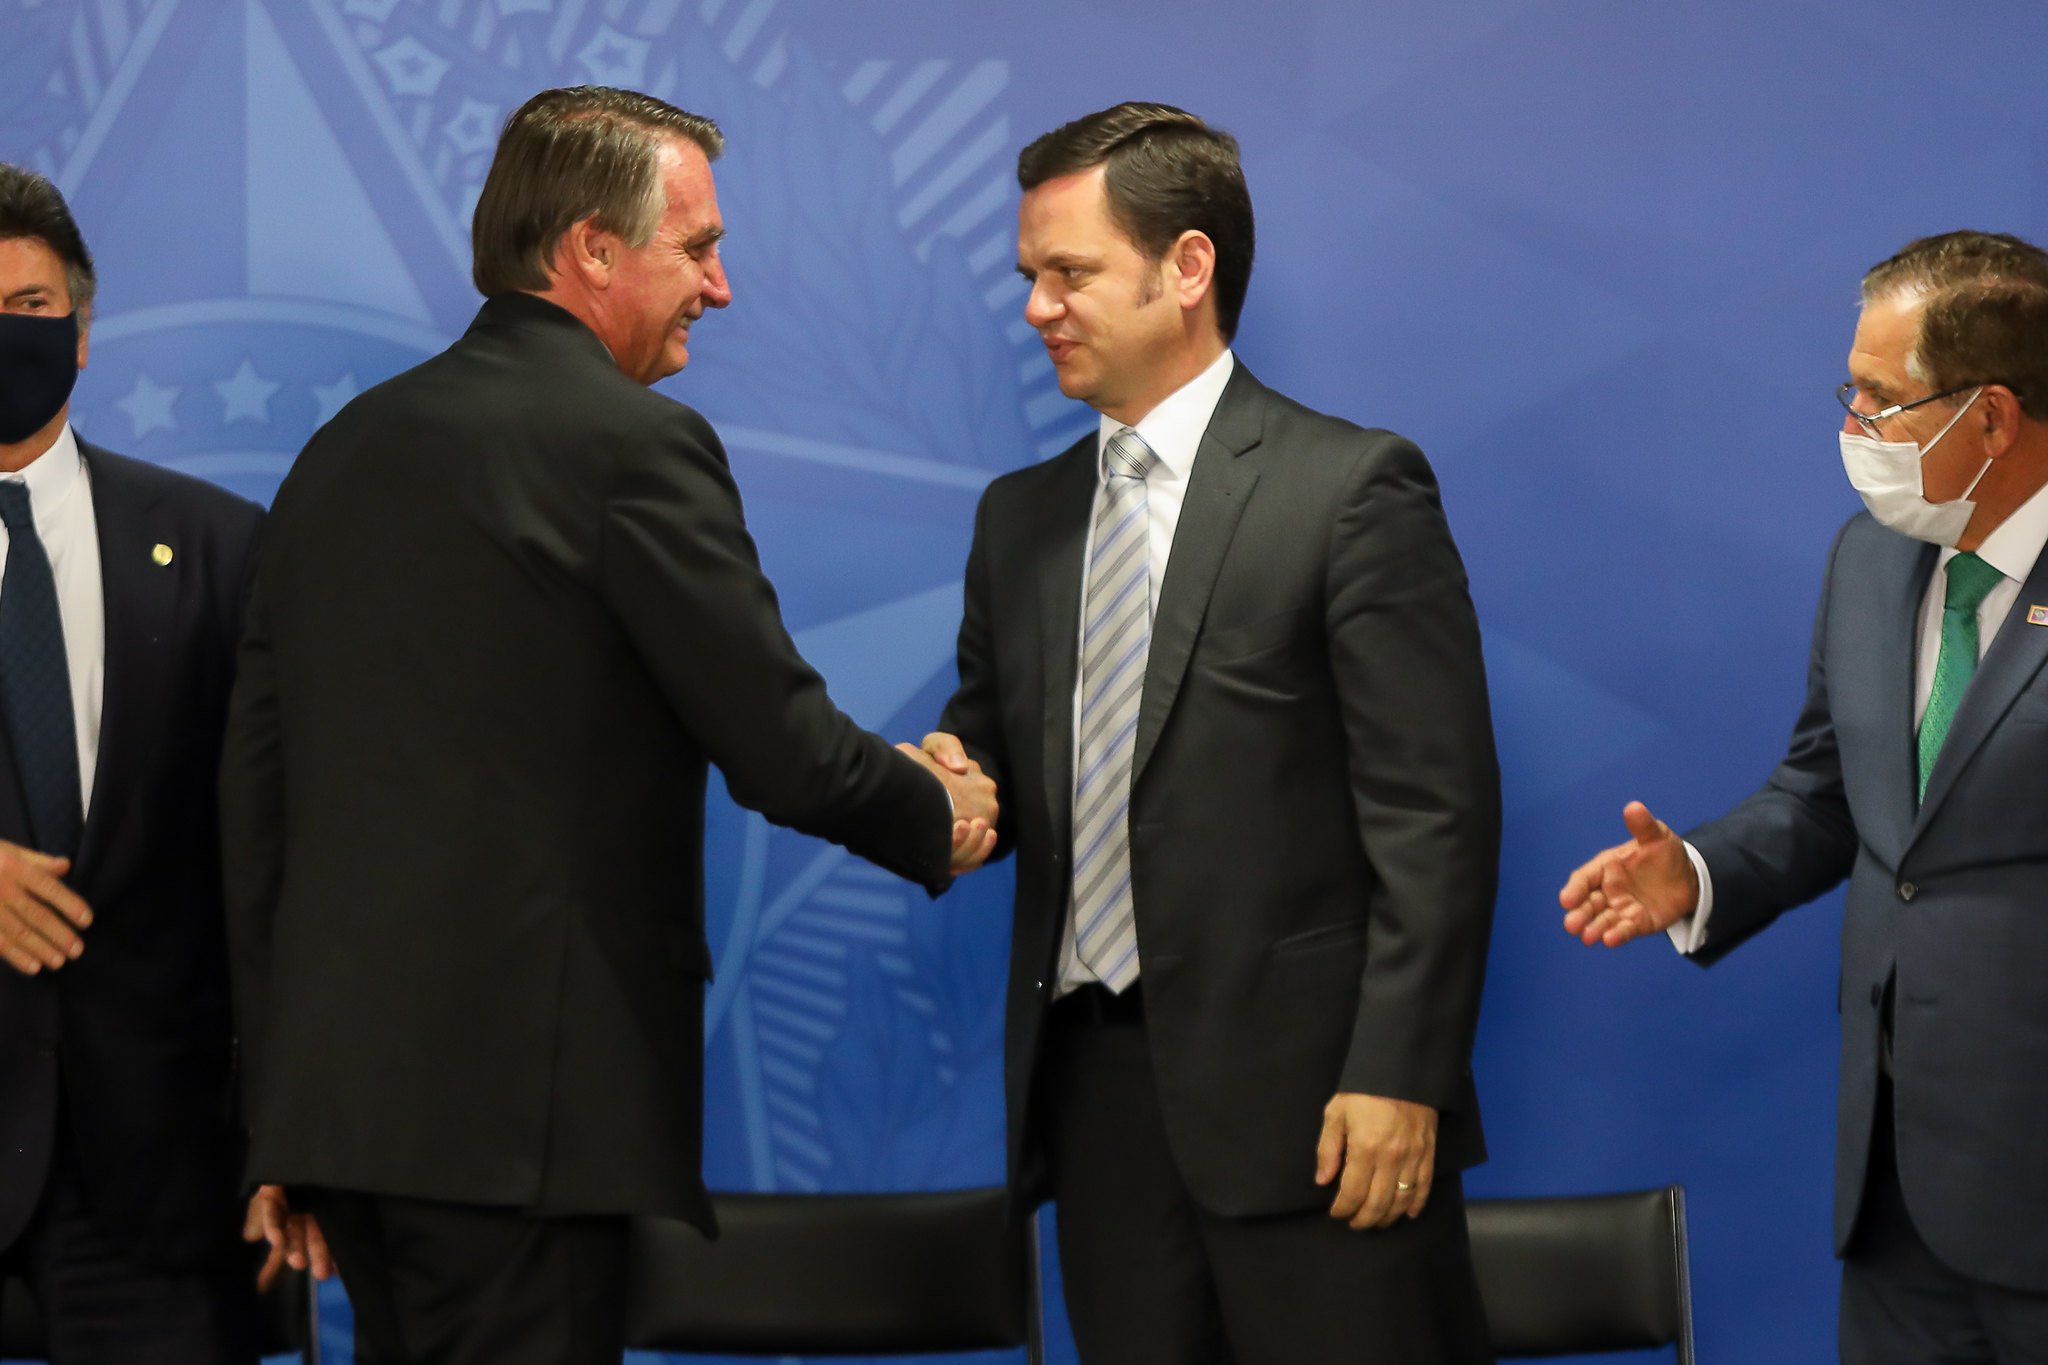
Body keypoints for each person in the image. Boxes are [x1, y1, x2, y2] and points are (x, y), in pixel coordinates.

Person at [218, 85, 996, 1365]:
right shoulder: (630, 444)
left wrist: (281, 1124)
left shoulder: (338, 455)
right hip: (526, 1129)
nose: (722, 286)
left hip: (351, 1132)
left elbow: (257, 803)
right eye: (696, 248)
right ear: (589, 248)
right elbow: (781, 745)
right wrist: (942, 811)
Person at [923, 102, 1500, 1363]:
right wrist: (943, 795)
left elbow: (1434, 818)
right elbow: (994, 765)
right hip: (1097, 1110)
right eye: (1029, 278)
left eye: (1068, 274)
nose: (1037, 310)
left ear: (1187, 267)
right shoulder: (1017, 519)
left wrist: (1399, 1074)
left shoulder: (1350, 488)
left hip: (1323, 1109)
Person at [1561, 231, 2048, 1363]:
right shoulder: (1868, 559)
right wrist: (1697, 872)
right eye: (1850, 391)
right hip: (1892, 1193)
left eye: (1880, 400)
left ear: (1989, 419)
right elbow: (1830, 791)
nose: (1850, 430)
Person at [0, 163, 323, 1363]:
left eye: (28, 309)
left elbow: (283, 853)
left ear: (82, 336)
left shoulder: (217, 546)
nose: (5, 333)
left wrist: (293, 1136)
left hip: (150, 1173)